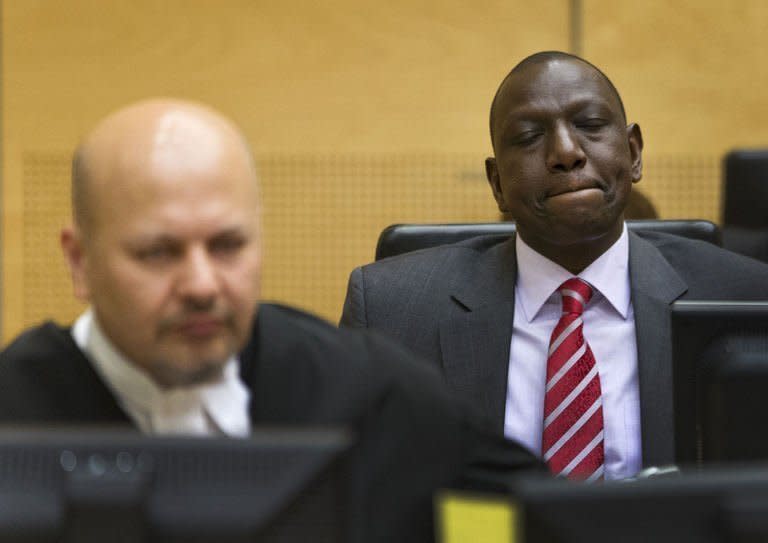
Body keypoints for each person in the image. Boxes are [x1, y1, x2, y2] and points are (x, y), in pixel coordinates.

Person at [0, 99, 541, 542]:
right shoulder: (14, 407)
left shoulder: (367, 393)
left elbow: (556, 518)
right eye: (158, 253)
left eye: (228, 246)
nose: (203, 285)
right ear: (79, 261)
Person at [341, 51, 768, 480]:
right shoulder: (391, 312)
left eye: (590, 125)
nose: (566, 152)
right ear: (497, 185)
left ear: (634, 153)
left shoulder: (746, 298)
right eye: (528, 136)